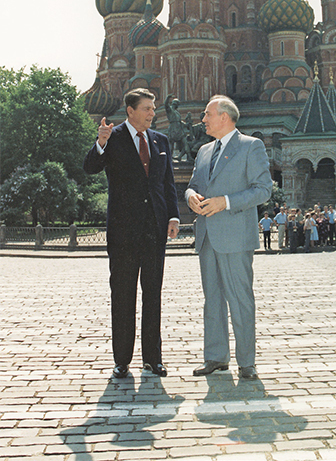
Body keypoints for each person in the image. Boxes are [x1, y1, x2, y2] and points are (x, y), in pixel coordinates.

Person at [83, 88, 180, 379]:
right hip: (123, 233)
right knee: (123, 295)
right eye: (147, 108)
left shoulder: (161, 140)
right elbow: (90, 168)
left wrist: (173, 216)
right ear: (130, 111)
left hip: (154, 231)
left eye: (153, 108)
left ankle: (153, 358)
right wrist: (100, 142)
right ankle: (121, 361)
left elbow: (167, 183)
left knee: (153, 295)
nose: (152, 113)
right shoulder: (112, 138)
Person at [185, 95, 272, 380]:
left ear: (224, 116)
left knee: (240, 299)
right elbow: (194, 185)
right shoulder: (204, 151)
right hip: (207, 236)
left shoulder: (251, 146)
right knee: (212, 300)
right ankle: (216, 357)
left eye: (207, 114)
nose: (203, 119)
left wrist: (226, 201)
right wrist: (190, 197)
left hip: (235, 235)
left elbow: (263, 190)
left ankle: (247, 363)